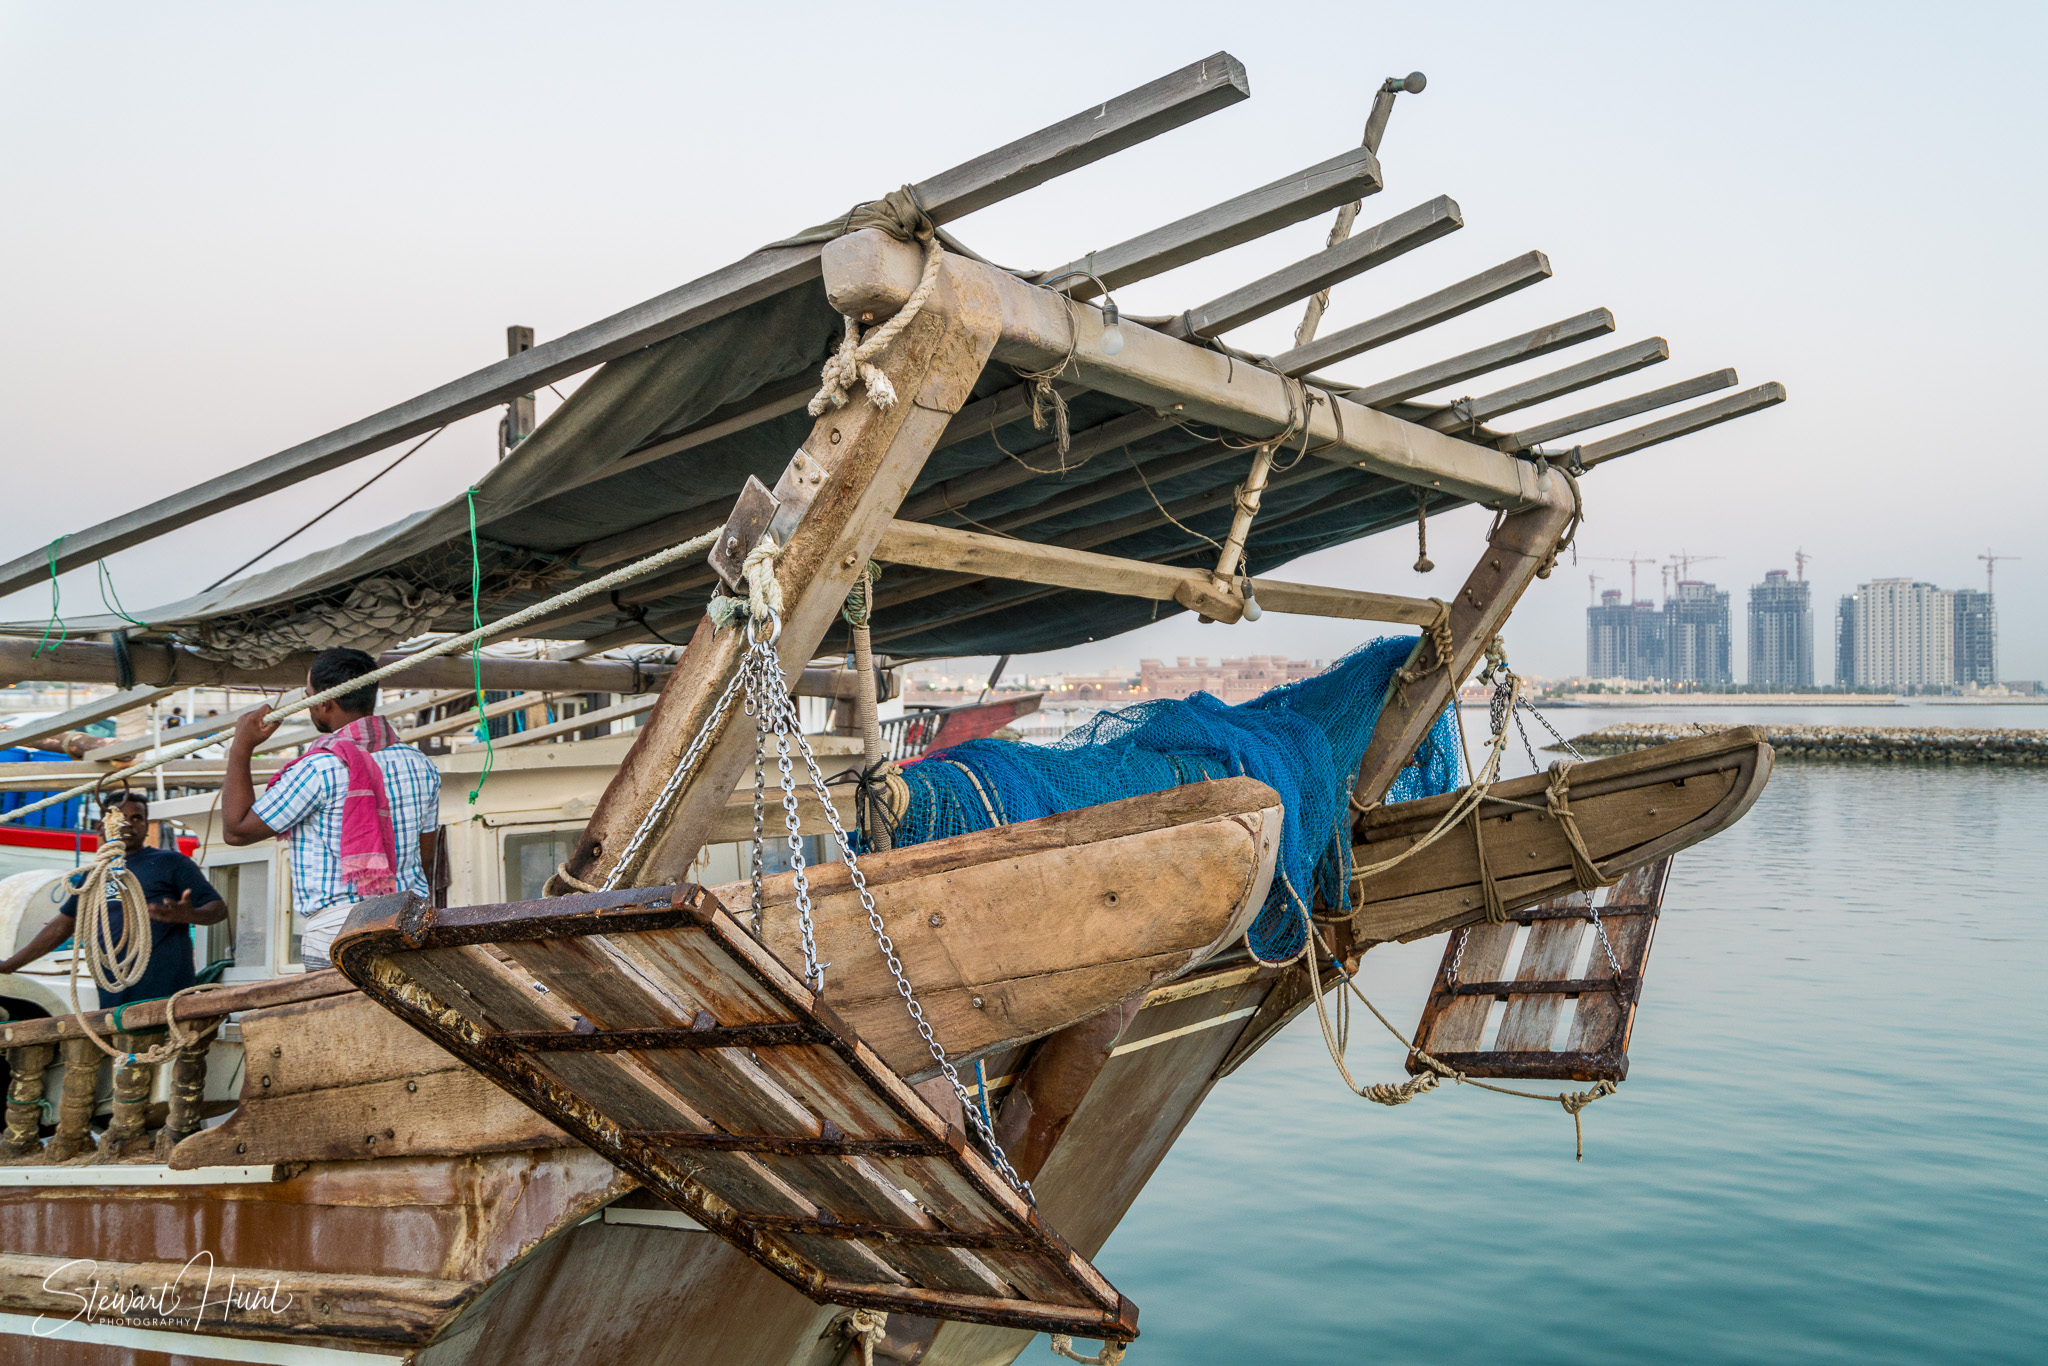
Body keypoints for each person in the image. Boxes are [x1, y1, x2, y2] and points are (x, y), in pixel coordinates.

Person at [220, 647, 441, 970]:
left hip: (339, 932)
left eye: (309, 696)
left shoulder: (320, 768)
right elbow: (426, 857)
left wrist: (242, 746)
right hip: (408, 922)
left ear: (324, 702)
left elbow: (236, 829)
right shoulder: (421, 765)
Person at [0, 792, 228, 1007]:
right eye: (120, 817)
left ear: (146, 826)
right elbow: (62, 925)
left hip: (164, 987)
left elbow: (217, 909)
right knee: (122, 1048)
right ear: (101, 826)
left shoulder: (170, 863)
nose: (129, 823)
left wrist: (189, 915)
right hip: (113, 987)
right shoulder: (95, 874)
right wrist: (10, 965)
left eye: (137, 818)